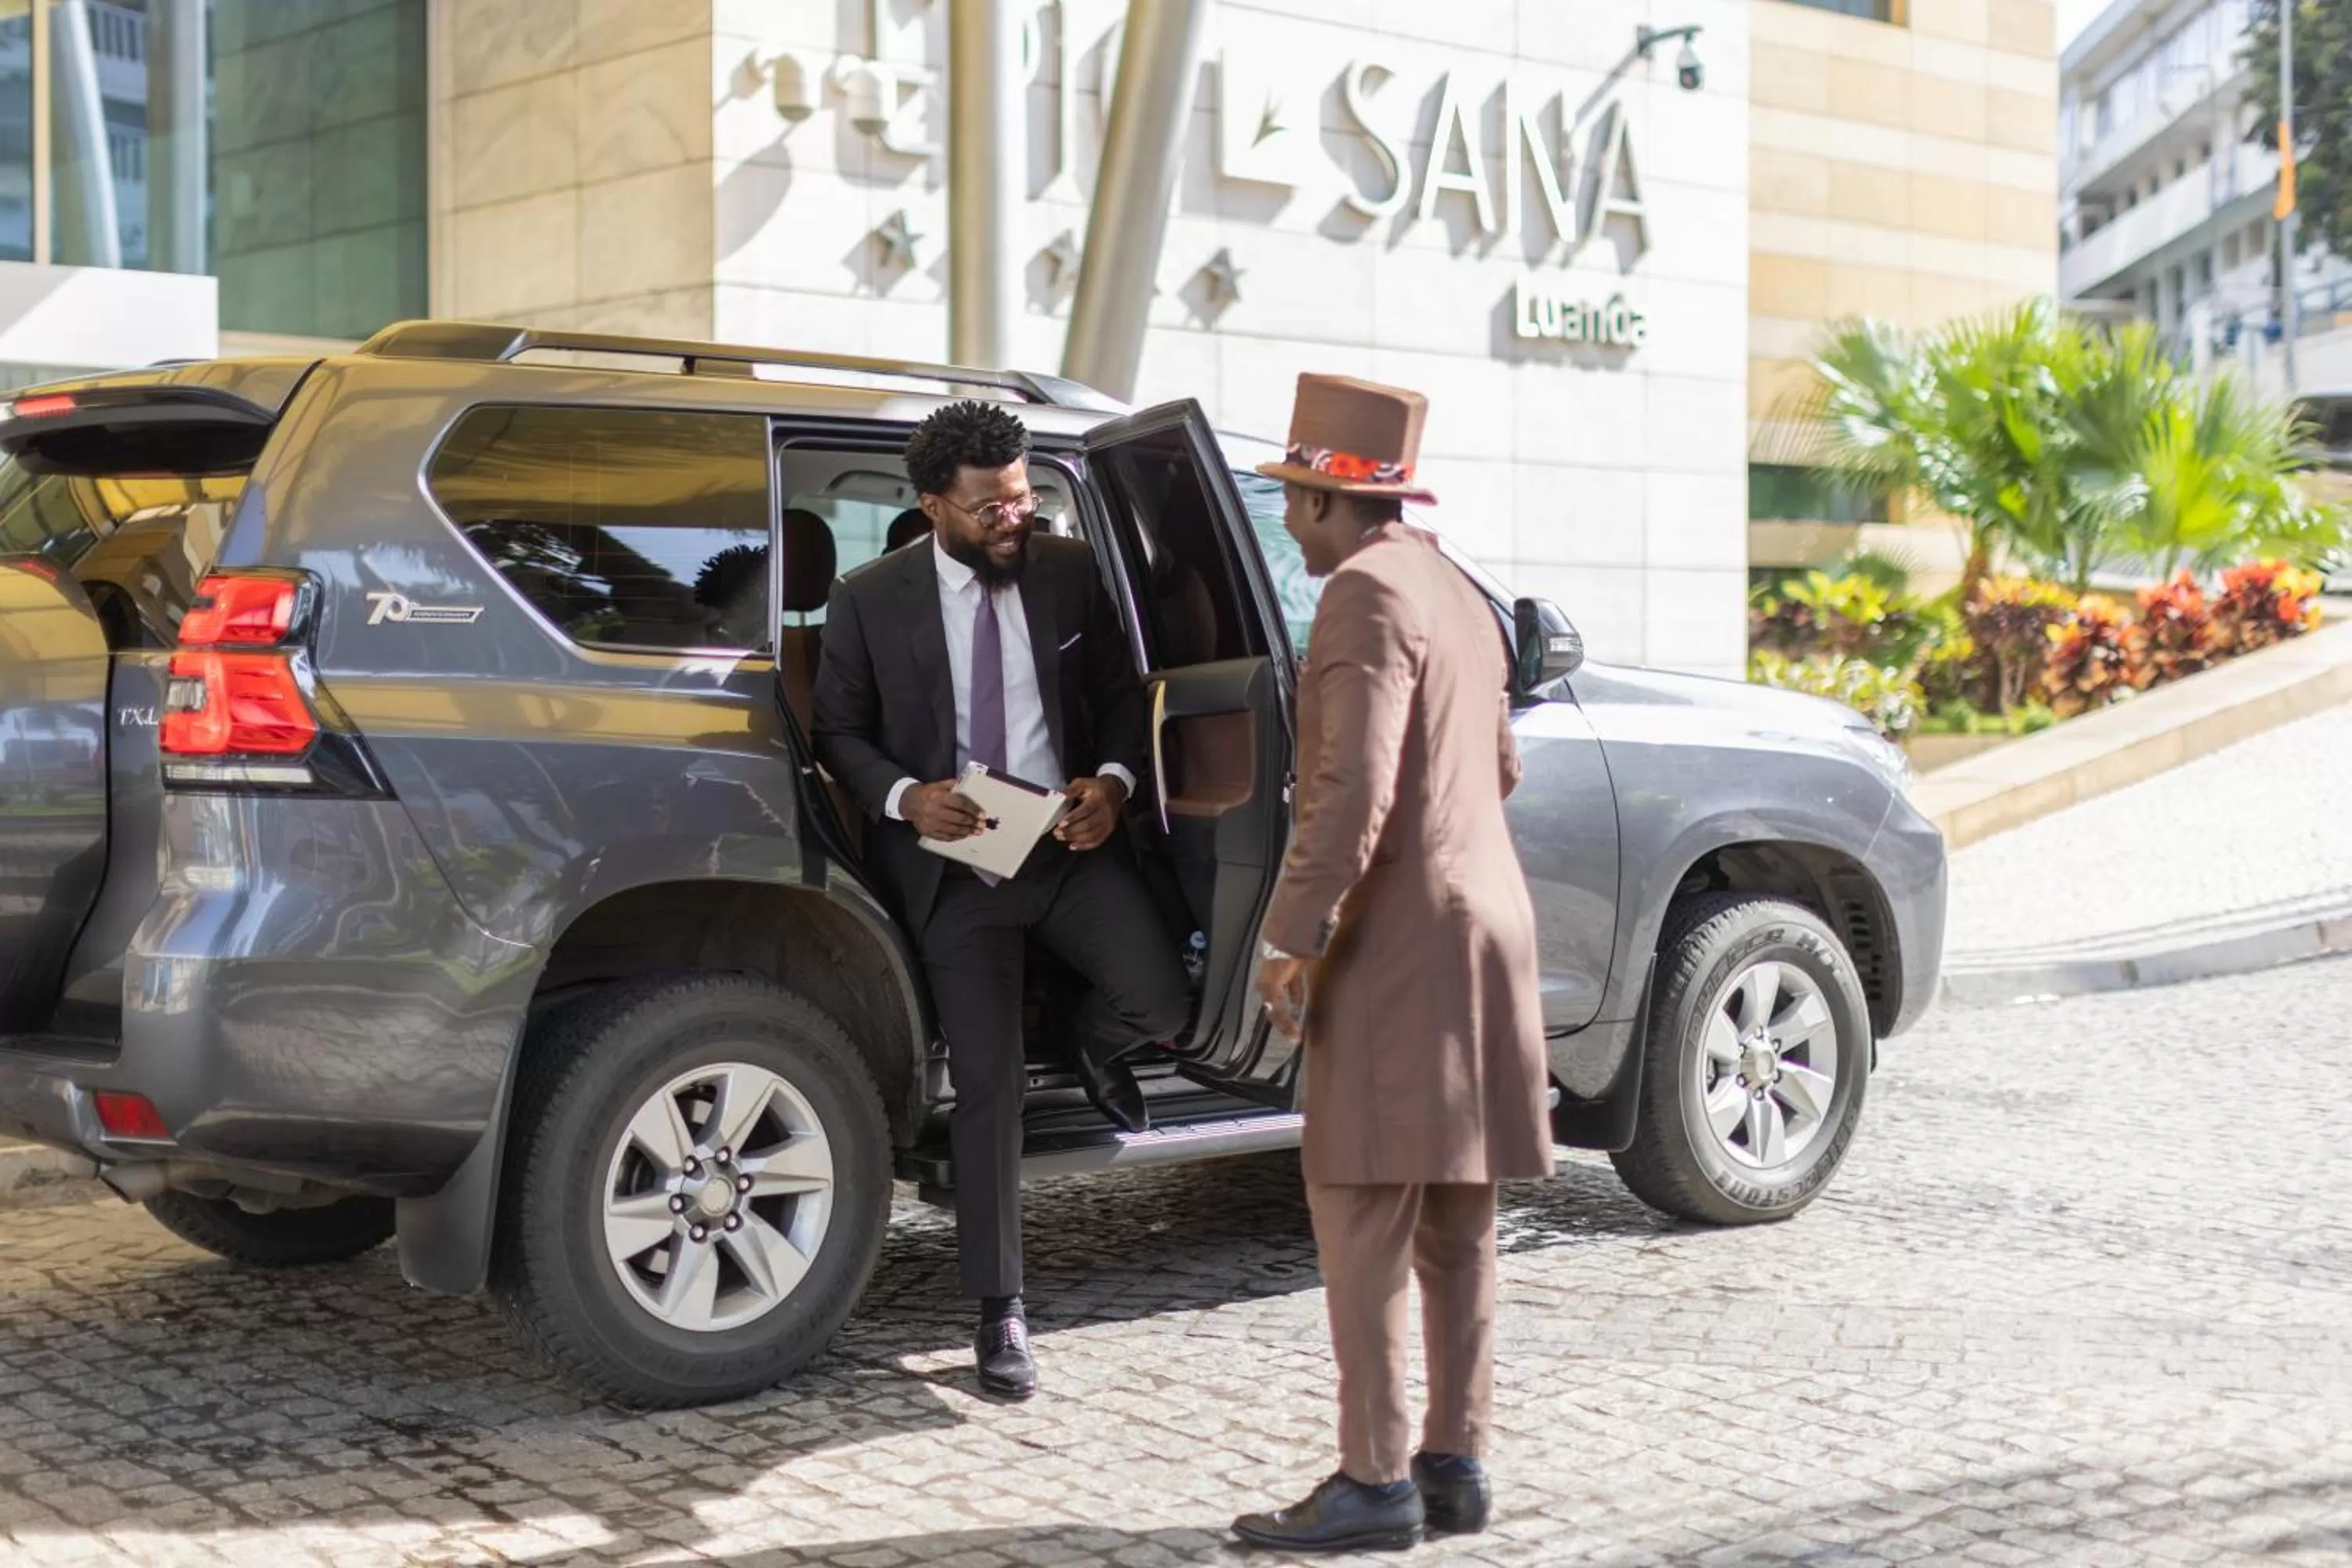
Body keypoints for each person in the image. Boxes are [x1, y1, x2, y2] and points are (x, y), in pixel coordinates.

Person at [810, 400, 1189, 1401]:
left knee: (1165, 1004)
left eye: (1023, 498)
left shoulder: (1066, 571)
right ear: (933, 503)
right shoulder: (869, 598)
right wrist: (904, 797)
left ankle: (1090, 1036)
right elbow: (838, 732)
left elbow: (1118, 689)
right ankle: (1000, 1307)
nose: (1013, 520)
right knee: (988, 1090)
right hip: (957, 873)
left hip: (1067, 852)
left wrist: (1109, 782)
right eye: (989, 509)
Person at [1232, 375, 1552, 1553]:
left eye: (1292, 498)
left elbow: (1351, 794)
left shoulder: (1364, 596)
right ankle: (1454, 1465)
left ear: (1327, 498)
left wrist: (1289, 937)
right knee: (1458, 1215)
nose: (1284, 520)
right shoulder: (1454, 585)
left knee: (1361, 1205)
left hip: (1402, 937)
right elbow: (1502, 764)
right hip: (1487, 922)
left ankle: (1373, 1483)